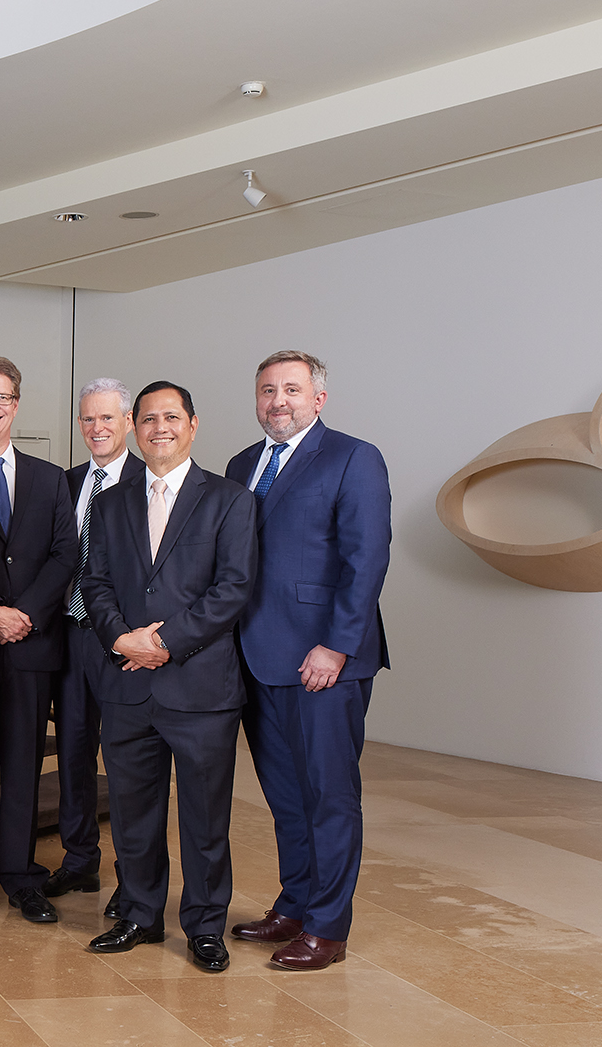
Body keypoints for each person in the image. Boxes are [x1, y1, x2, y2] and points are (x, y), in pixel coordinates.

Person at [223, 351, 391, 971]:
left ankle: (327, 926)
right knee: (286, 796)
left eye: (291, 390)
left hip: (323, 659)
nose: (278, 401)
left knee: (330, 796)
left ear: (319, 399)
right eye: (267, 390)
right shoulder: (243, 463)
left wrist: (338, 645)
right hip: (254, 657)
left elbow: (366, 560)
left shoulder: (354, 457)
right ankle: (294, 903)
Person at [82, 381, 256, 973]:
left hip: (201, 688)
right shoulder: (109, 504)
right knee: (132, 813)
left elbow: (233, 588)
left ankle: (206, 926)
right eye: (149, 418)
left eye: (172, 417)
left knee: (206, 819)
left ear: (193, 424)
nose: (161, 428)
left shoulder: (230, 500)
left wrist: (163, 641)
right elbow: (95, 584)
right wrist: (119, 637)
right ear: (134, 425)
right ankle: (138, 914)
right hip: (128, 684)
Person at [0, 357, 76, 922]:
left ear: (17, 404)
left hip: (32, 641)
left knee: (25, 762)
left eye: (2, 397)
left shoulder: (52, 478)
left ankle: (21, 875)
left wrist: (23, 611)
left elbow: (65, 556)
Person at [46, 379, 144, 919]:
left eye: (107, 419)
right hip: (70, 634)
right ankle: (79, 858)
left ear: (128, 422)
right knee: (74, 753)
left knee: (127, 761)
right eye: (87, 419)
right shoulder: (68, 481)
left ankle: (132, 879)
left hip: (123, 641)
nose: (97, 429)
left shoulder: (146, 478)